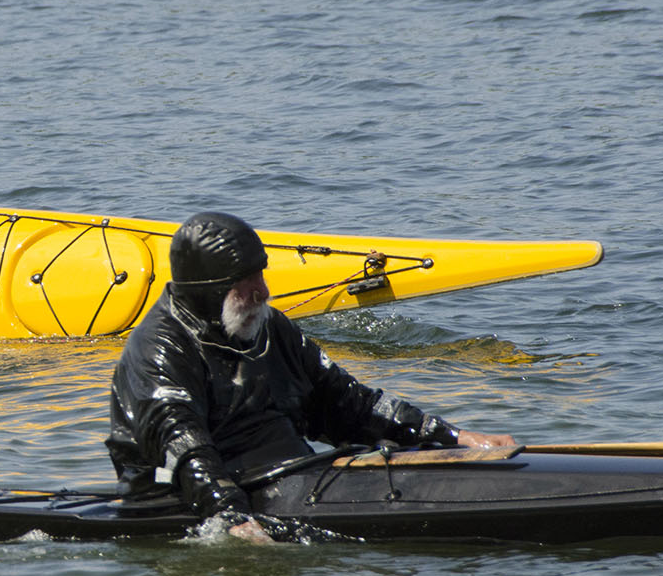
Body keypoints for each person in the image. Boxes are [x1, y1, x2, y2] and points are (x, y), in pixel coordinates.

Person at [108, 211, 513, 542]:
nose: (262, 292)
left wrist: (454, 438)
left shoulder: (269, 328)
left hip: (297, 478)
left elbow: (349, 403)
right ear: (207, 291)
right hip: (200, 496)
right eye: (244, 285)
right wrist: (230, 517)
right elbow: (184, 446)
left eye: (261, 276)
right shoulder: (159, 350)